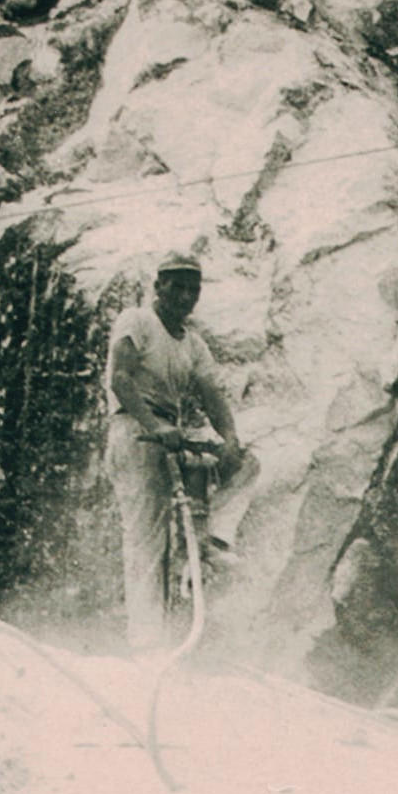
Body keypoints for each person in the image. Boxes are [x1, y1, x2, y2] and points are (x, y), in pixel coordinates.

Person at [106, 252, 246, 649]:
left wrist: (230, 441)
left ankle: (212, 541)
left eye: (193, 289)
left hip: (172, 433)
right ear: (158, 287)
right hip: (135, 430)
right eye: (177, 287)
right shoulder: (137, 322)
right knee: (147, 540)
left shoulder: (194, 344)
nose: (186, 296)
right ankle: (146, 642)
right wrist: (155, 426)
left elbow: (213, 395)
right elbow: (121, 378)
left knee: (248, 464)